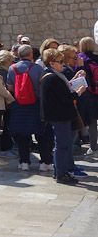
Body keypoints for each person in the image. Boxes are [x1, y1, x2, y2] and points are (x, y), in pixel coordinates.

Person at [40, 47, 87, 184]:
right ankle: (61, 173)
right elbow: (65, 97)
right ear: (51, 63)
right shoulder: (53, 78)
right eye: (60, 62)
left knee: (62, 144)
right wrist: (78, 92)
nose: (63, 64)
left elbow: (63, 90)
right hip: (60, 117)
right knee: (62, 145)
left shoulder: (54, 76)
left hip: (58, 116)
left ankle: (59, 171)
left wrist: (75, 80)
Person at [7, 44, 54, 171]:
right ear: (31, 54)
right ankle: (45, 162)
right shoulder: (38, 68)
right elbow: (43, 85)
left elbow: (10, 87)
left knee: (22, 135)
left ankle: (24, 162)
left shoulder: (12, 68)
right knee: (41, 134)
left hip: (20, 105)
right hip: (36, 104)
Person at [77, 37, 98, 155]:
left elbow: (80, 76)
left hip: (88, 93)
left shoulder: (81, 59)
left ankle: (93, 147)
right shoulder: (96, 58)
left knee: (92, 122)